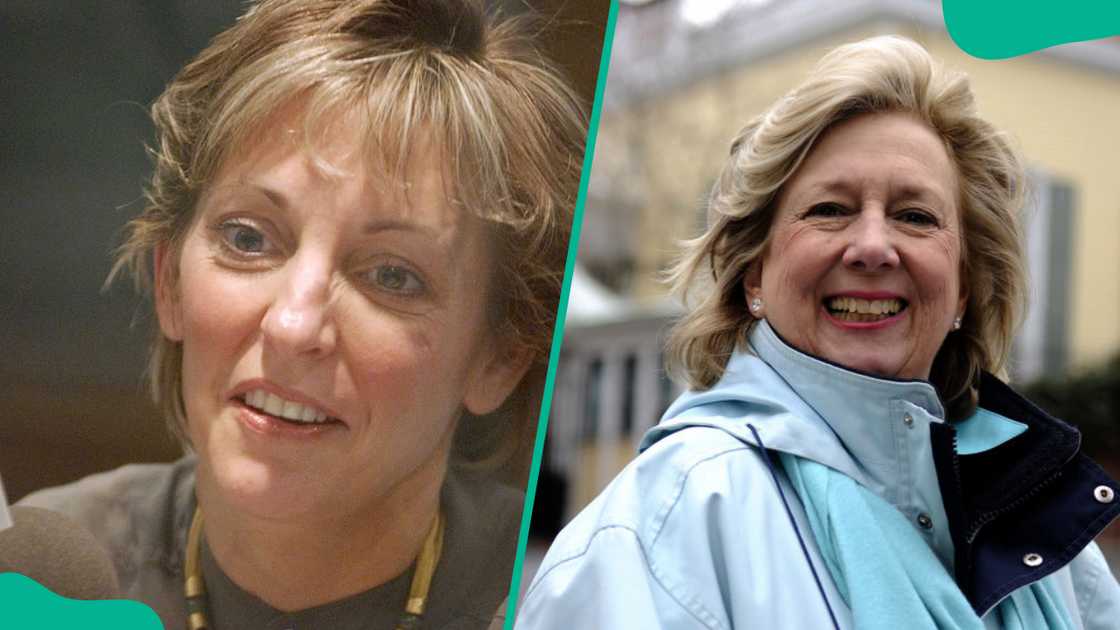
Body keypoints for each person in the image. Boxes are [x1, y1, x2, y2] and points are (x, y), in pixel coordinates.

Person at [517, 36, 1120, 629]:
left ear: (963, 286)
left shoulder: (1050, 541)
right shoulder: (664, 529)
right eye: (829, 209)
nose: (874, 246)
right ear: (754, 270)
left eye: (915, 216)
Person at [20, 1, 586, 628]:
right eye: (248, 239)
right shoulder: (39, 582)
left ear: (500, 356)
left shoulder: (564, 596)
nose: (292, 326)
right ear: (168, 280)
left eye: (392, 276)